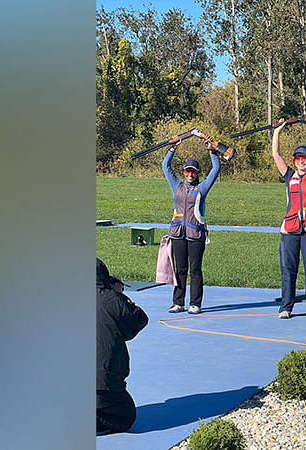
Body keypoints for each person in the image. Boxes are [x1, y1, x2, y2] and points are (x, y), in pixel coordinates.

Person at [272, 117, 306, 321]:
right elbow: (275, 154)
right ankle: (286, 306)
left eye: (305, 158)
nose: (301, 161)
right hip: (290, 231)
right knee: (288, 270)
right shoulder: (288, 176)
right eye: (297, 158)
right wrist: (278, 131)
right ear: (294, 160)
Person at [162, 138, 221, 314]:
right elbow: (166, 167)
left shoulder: (202, 188)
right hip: (177, 234)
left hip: (196, 235)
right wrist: (172, 148)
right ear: (184, 172)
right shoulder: (177, 186)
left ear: (197, 174)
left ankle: (195, 303)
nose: (190, 174)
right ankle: (178, 302)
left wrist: (212, 152)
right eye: (188, 171)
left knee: (195, 270)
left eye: (193, 172)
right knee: (180, 270)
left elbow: (216, 170)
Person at [96, 257, 149, 434]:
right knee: (126, 417)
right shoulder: (111, 300)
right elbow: (138, 321)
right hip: (103, 383)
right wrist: (118, 295)